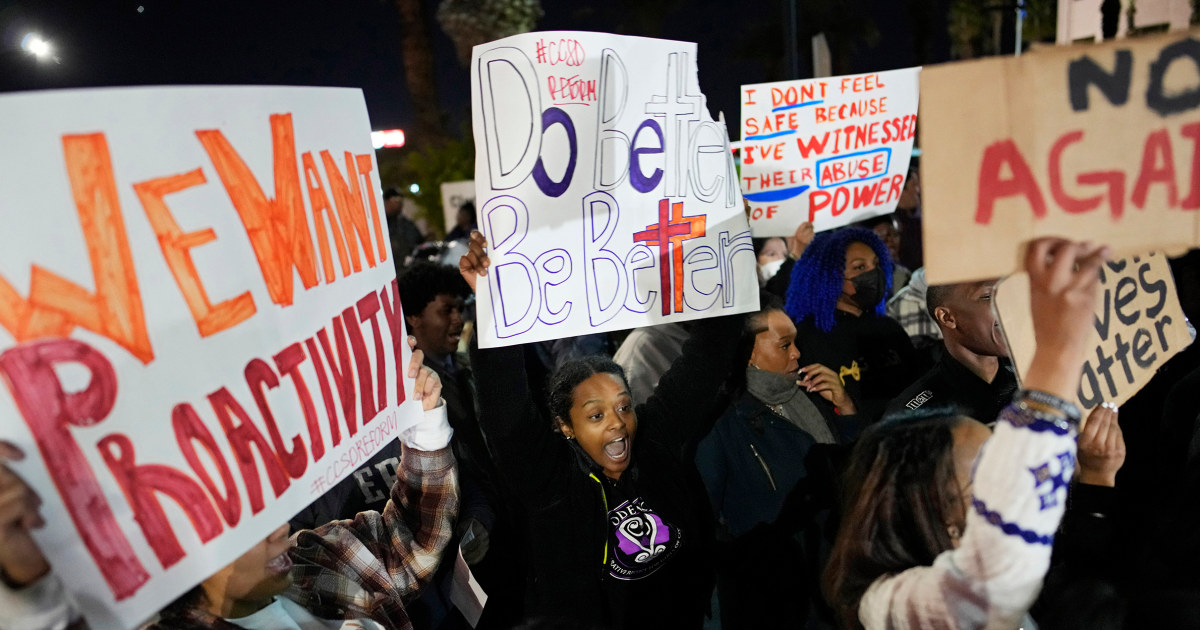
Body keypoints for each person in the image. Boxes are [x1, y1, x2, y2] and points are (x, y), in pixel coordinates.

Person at [0, 342, 455, 630]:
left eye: (271, 500)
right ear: (178, 534)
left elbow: (409, 545)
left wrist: (424, 422)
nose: (279, 527)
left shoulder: (315, 557)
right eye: (245, 517)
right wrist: (25, 576)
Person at [823, 238, 1109, 629]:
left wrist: (1094, 475)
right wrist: (1058, 356)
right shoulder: (915, 415)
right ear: (948, 317)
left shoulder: (1027, 382)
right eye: (990, 297)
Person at [459, 231, 735, 628]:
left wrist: (723, 257)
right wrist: (491, 306)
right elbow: (504, 409)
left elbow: (707, 359)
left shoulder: (651, 441)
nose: (617, 423)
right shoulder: (549, 479)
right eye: (595, 415)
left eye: (623, 406)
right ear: (565, 426)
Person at [695, 294, 861, 629]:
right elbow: (704, 523)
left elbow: (857, 476)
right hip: (774, 601)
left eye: (795, 342)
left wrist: (846, 410)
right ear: (749, 353)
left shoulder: (811, 395)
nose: (798, 354)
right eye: (784, 345)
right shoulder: (719, 423)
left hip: (834, 578)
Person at [398, 261, 525, 629]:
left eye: (460, 308)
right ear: (413, 319)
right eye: (446, 310)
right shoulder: (406, 399)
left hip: (502, 534)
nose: (457, 319)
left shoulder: (467, 370)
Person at [784, 226, 918, 421]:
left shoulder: (889, 327)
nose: (873, 274)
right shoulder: (809, 337)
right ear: (830, 277)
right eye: (860, 267)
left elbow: (920, 388)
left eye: (877, 264)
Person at [884, 278, 1017, 424]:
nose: (1006, 305)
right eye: (987, 297)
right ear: (947, 317)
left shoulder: (1030, 383)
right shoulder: (917, 413)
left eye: (1005, 294)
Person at [387, 187, 425, 265]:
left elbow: (419, 241)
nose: (399, 204)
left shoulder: (406, 223)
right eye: (395, 201)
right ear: (386, 202)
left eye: (401, 201)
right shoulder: (381, 225)